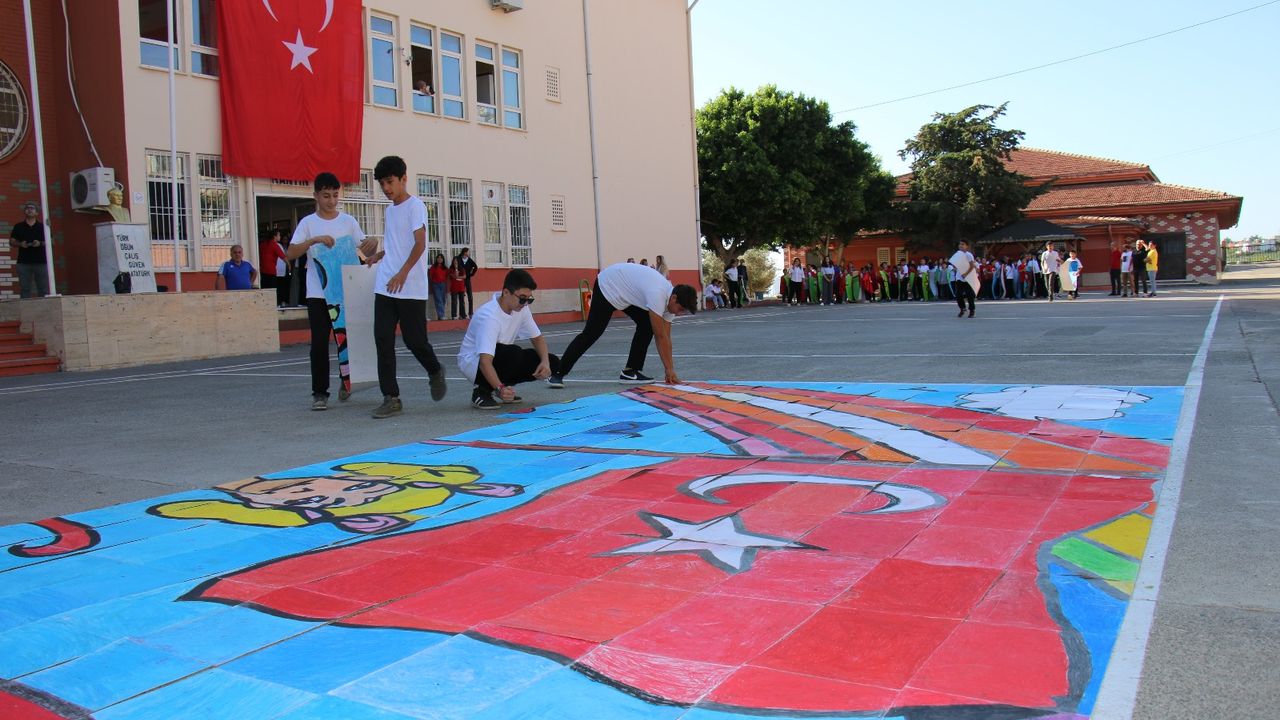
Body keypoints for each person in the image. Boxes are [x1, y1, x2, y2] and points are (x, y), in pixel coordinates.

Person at [359, 155, 448, 419]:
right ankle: (391, 397)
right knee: (383, 338)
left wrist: (403, 273)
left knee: (415, 340)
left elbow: (419, 244)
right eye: (382, 183)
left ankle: (434, 370)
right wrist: (380, 256)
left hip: (410, 286)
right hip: (386, 284)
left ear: (403, 179)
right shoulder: (389, 210)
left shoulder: (415, 207)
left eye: (390, 182)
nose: (386, 188)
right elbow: (398, 245)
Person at [288, 172, 367, 411]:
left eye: (335, 195)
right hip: (318, 293)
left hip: (345, 291)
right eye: (326, 196)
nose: (331, 201)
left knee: (347, 341)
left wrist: (371, 247)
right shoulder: (308, 223)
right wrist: (313, 241)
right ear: (316, 196)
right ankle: (320, 393)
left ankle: (348, 382)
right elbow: (290, 253)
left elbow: (363, 250)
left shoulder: (349, 222)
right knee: (319, 344)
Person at [548, 262, 698, 387]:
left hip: (626, 294)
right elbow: (660, 337)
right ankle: (558, 373)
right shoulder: (657, 294)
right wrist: (669, 370)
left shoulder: (671, 302)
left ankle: (630, 371)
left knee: (646, 325)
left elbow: (667, 338)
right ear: (674, 298)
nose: (679, 313)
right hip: (608, 286)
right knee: (592, 333)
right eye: (681, 309)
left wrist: (670, 369)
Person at [458, 269, 560, 409]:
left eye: (529, 299)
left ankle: (503, 387)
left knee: (552, 362)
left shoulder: (521, 309)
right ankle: (482, 391)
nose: (525, 303)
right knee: (513, 354)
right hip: (474, 364)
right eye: (522, 298)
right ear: (506, 292)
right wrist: (499, 390)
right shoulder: (489, 317)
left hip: (501, 356)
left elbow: (537, 338)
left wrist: (545, 362)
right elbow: (484, 362)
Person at [9, 201, 49, 298]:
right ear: (24, 211)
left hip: (41, 262)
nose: (29, 209)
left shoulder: (43, 227)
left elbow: (51, 242)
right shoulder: (18, 226)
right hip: (23, 262)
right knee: (25, 289)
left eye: (32, 208)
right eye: (27, 208)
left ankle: (44, 311)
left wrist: (40, 243)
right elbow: (11, 241)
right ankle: (25, 311)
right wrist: (20, 244)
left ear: (37, 213)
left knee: (43, 289)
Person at [259, 229, 290, 307]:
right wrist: (289, 265)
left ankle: (265, 305)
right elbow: (283, 257)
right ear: (274, 236)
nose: (280, 237)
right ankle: (273, 305)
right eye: (279, 235)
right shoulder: (274, 245)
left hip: (263, 271)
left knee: (265, 290)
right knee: (273, 290)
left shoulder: (262, 244)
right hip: (271, 271)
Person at [949, 240, 978, 318]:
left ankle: (972, 310)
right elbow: (955, 264)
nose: (961, 245)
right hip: (959, 277)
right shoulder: (957, 254)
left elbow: (972, 266)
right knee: (958, 294)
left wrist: (966, 274)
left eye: (963, 244)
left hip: (967, 278)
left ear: (967, 246)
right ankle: (962, 308)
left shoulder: (969, 255)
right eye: (960, 244)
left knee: (969, 295)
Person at [459, 246, 478, 317]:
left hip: (467, 279)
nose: (468, 253)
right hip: (460, 280)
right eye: (467, 252)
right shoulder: (459, 259)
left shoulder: (469, 260)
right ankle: (462, 314)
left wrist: (471, 274)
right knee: (461, 296)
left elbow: (475, 267)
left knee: (470, 296)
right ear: (464, 252)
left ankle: (470, 313)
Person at [428, 253, 448, 321]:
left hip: (443, 284)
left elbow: (448, 275)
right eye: (438, 258)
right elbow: (430, 276)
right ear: (436, 259)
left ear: (443, 259)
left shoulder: (445, 268)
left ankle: (440, 316)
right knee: (438, 300)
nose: (440, 259)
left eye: (441, 258)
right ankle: (441, 315)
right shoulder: (433, 267)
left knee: (443, 300)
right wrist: (433, 282)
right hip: (436, 285)